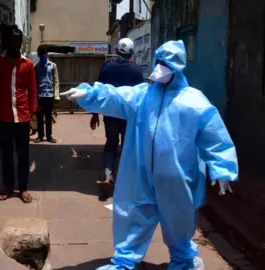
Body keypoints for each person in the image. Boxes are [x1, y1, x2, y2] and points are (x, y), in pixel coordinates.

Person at [61, 40, 238, 270]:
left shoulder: (194, 101)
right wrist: (89, 93)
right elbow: (115, 96)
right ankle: (125, 260)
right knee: (133, 213)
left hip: (177, 178)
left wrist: (222, 168)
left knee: (179, 221)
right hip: (140, 173)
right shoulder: (142, 95)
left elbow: (214, 136)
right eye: (160, 63)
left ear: (177, 68)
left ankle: (184, 260)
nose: (161, 69)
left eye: (167, 65)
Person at [0, 25, 38, 203]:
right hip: (3, 119)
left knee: (23, 156)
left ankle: (23, 188)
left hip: (22, 118)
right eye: (12, 42)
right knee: (6, 156)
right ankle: (8, 186)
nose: (15, 46)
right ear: (6, 43)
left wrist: (33, 117)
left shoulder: (27, 64)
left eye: (17, 43)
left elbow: (32, 91)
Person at [90, 38, 144, 185]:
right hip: (129, 116)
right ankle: (127, 180)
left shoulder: (106, 68)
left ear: (116, 51)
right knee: (128, 145)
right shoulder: (136, 70)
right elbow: (141, 96)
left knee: (111, 143)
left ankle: (108, 176)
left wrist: (95, 114)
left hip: (111, 114)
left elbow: (97, 92)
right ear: (131, 53)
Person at [34, 45, 60, 143]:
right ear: (38, 55)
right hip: (40, 97)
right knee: (39, 118)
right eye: (41, 55)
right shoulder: (36, 67)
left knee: (48, 117)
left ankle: (49, 136)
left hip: (49, 96)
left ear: (47, 54)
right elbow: (34, 82)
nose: (43, 57)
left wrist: (56, 96)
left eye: (45, 55)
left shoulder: (53, 66)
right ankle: (40, 136)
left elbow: (56, 81)